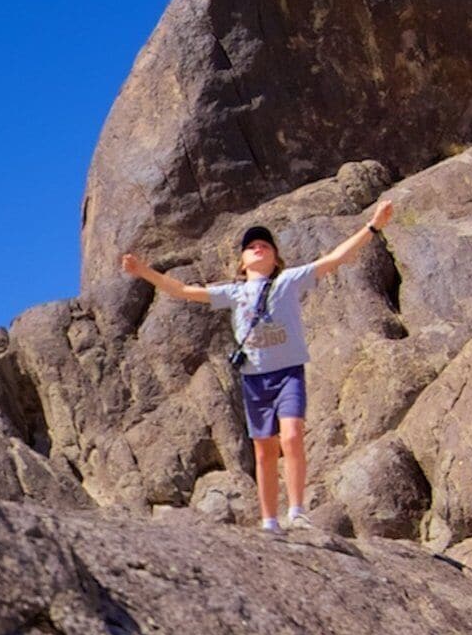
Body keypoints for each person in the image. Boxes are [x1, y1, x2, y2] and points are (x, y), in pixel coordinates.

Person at [120, 200, 395, 532]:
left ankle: (296, 510)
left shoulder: (288, 280)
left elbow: (335, 258)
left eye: (265, 244)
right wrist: (143, 271)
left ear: (276, 258)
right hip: (255, 379)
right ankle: (269, 521)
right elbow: (182, 291)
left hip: (289, 372)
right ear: (242, 261)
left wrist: (373, 225)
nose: (258, 248)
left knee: (291, 437)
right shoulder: (234, 293)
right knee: (264, 450)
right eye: (251, 246)